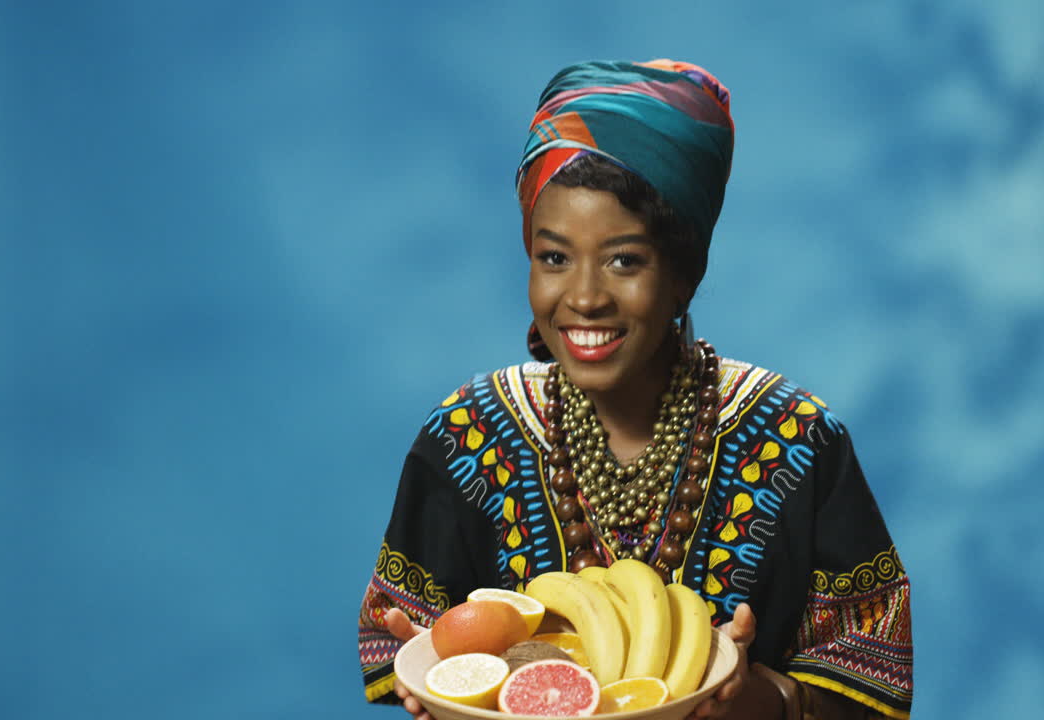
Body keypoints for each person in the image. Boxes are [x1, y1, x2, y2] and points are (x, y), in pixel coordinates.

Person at [358, 59, 913, 719]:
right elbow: (400, 647)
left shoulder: (795, 438)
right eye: (554, 257)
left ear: (683, 274)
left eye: (624, 260)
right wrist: (439, 674)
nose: (585, 297)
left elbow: (873, 679)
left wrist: (754, 698)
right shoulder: (467, 436)